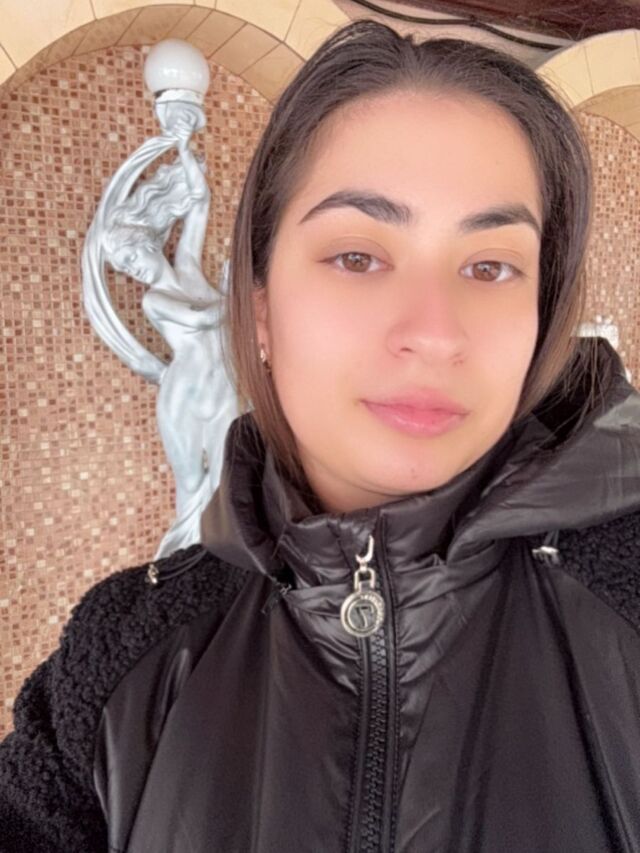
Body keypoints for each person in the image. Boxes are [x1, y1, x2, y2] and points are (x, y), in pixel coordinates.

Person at [2, 18, 640, 853]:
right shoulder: (124, 651)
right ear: (260, 307)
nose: (434, 332)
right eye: (357, 257)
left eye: (490, 267)